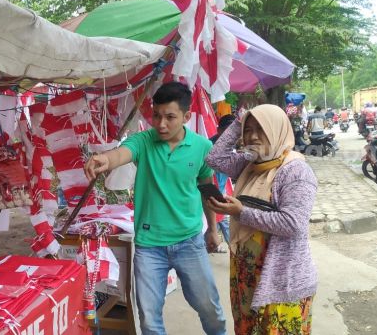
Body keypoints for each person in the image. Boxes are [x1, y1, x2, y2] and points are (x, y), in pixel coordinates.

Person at [84, 82, 226, 335]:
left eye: (170, 117)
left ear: (186, 116)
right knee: (149, 319)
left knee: (209, 308)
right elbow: (121, 154)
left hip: (189, 242)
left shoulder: (203, 147)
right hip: (150, 247)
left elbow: (207, 191)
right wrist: (105, 160)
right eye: (157, 116)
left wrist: (212, 230)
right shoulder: (143, 141)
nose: (161, 124)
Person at [204, 104, 318, 335]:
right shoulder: (250, 165)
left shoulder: (295, 171)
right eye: (248, 130)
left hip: (281, 279)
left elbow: (293, 224)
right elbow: (214, 158)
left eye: (261, 129)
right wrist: (238, 123)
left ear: (277, 130)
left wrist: (240, 212)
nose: (252, 136)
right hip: (247, 273)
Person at [209, 114, 237, 251]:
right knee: (220, 220)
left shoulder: (232, 147)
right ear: (219, 130)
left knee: (223, 220)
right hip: (208, 192)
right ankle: (234, 249)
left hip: (221, 190)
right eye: (227, 131)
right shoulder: (209, 147)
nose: (231, 135)